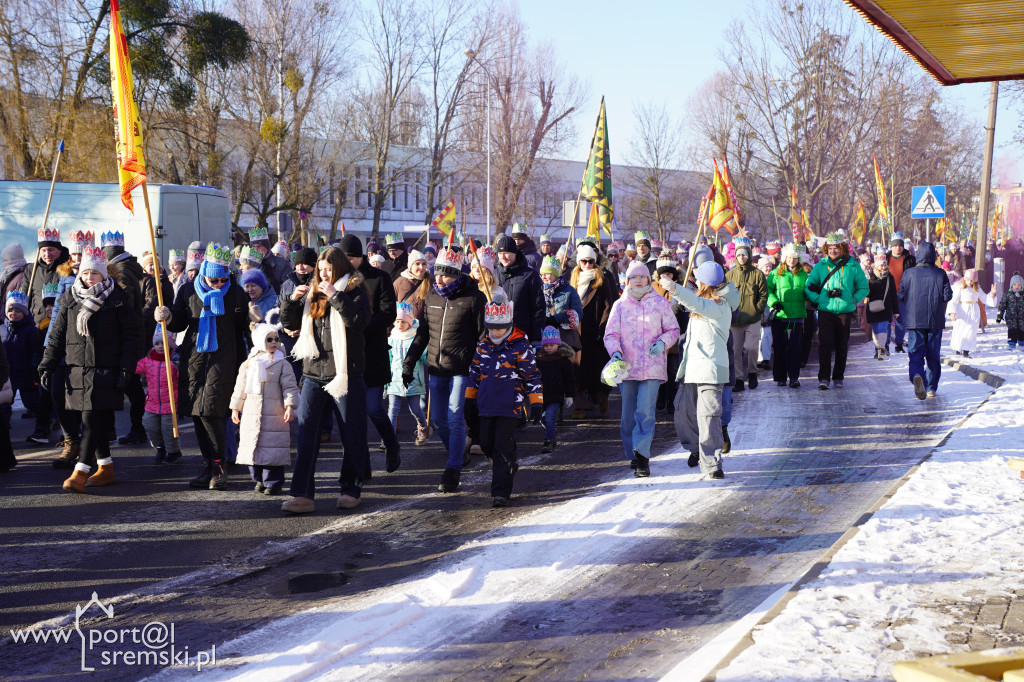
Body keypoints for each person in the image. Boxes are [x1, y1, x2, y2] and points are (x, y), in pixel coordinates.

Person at [39, 245, 140, 493]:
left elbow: (131, 336)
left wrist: (127, 368)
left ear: (104, 274)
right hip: (76, 369)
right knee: (97, 419)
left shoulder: (117, 299)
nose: (89, 277)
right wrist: (47, 364)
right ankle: (105, 467)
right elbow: (57, 334)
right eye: (85, 273)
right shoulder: (70, 297)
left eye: (94, 273)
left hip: (107, 368)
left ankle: (81, 471)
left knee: (90, 419)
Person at [279, 246, 371, 513]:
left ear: (339, 268)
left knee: (351, 434)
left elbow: (358, 322)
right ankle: (303, 494)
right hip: (313, 373)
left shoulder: (355, 291)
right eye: (320, 270)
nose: (323, 274)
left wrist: (336, 296)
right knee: (306, 434)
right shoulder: (312, 291)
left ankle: (351, 489)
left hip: (345, 374)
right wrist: (292, 301)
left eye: (328, 269)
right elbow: (290, 325)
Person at [154, 243, 250, 491]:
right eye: (213, 280)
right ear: (204, 273)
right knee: (197, 414)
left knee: (211, 412)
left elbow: (245, 328)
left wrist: (256, 328)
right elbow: (179, 322)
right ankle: (207, 465)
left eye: (223, 280)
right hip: (194, 357)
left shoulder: (236, 293)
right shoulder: (188, 290)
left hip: (225, 359)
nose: (218, 284)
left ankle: (219, 468)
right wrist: (167, 316)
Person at [402, 245, 486, 493]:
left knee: (454, 414)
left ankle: (453, 468)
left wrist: (481, 366)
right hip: (436, 367)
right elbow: (423, 334)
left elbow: (482, 336)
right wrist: (409, 362)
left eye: (445, 275)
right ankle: (457, 454)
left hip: (462, 368)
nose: (438, 279)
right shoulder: (431, 297)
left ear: (456, 275)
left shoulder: (474, 298)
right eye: (437, 273)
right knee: (438, 419)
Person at [464, 287, 542, 507]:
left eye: (499, 328)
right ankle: (508, 464)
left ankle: (500, 492)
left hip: (510, 406)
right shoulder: (483, 346)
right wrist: (469, 399)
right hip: (486, 405)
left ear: (508, 325)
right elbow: (474, 374)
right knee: (486, 444)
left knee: (501, 447)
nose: (495, 332)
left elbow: (532, 375)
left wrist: (536, 402)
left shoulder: (520, 346)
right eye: (491, 328)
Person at [603, 260, 679, 477]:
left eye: (641, 276)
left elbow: (673, 329)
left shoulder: (660, 303)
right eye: (633, 277)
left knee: (645, 412)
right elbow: (611, 334)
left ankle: (642, 456)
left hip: (652, 368)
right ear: (627, 280)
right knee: (628, 415)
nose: (637, 280)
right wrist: (615, 352)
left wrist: (663, 342)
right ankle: (632, 453)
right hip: (626, 368)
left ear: (648, 278)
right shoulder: (620, 305)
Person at [339, 234, 401, 473]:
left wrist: (360, 324)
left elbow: (388, 313)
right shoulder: (337, 280)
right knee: (352, 416)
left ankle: (392, 444)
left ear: (360, 256)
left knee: (373, 407)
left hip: (373, 352)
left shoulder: (379, 277)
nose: (348, 262)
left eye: (351, 258)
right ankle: (360, 466)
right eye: (344, 258)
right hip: (346, 355)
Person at [669, 261, 732, 479]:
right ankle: (696, 449)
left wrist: (675, 289)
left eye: (698, 279)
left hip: (711, 370)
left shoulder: (720, 304)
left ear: (704, 282)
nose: (695, 282)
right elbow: (694, 304)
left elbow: (697, 304)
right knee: (684, 414)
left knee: (709, 417)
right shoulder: (700, 303)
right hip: (691, 369)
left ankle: (712, 463)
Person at [230, 323, 299, 497]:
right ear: (260, 341)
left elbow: (290, 387)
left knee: (272, 450)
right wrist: (236, 408)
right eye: (269, 339)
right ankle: (259, 479)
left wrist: (290, 406)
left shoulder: (282, 363)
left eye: (276, 339)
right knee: (252, 449)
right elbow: (240, 388)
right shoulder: (249, 363)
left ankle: (273, 483)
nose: (274, 342)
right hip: (252, 413)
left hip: (274, 414)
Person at [805, 233, 869, 390]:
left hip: (844, 311)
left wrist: (853, 299)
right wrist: (819, 299)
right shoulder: (820, 266)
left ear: (842, 249)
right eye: (830, 248)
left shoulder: (853, 266)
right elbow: (808, 286)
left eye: (836, 248)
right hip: (825, 310)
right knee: (825, 344)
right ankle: (824, 378)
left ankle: (838, 377)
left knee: (841, 345)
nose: (833, 251)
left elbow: (864, 287)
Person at [898, 242, 952, 400]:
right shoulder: (940, 273)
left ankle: (916, 374)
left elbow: (900, 295)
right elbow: (948, 295)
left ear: (918, 255)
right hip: (935, 320)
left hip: (914, 320)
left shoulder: (908, 273)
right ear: (933, 255)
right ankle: (930, 388)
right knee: (933, 355)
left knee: (915, 352)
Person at [570, 244, 614, 417]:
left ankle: (601, 397)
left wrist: (602, 328)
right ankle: (580, 405)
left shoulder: (602, 279)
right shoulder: (572, 279)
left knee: (596, 369)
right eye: (584, 261)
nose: (587, 264)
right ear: (579, 262)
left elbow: (608, 305)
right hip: (576, 331)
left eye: (590, 261)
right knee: (577, 369)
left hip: (595, 332)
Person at [725, 236, 768, 392]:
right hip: (735, 320)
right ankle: (738, 378)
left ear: (749, 255)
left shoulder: (757, 274)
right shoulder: (730, 275)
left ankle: (752, 373)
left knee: (751, 348)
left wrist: (757, 309)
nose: (741, 257)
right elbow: (724, 295)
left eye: (744, 254)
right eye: (738, 255)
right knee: (736, 350)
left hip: (752, 318)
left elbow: (763, 294)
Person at [766, 243, 809, 387]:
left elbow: (808, 291)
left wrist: (814, 298)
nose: (792, 260)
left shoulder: (803, 274)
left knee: (795, 347)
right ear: (785, 258)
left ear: (798, 259)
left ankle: (794, 377)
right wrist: (774, 302)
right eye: (789, 257)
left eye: (795, 258)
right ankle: (781, 377)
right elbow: (767, 290)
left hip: (797, 315)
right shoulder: (775, 273)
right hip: (780, 315)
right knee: (780, 347)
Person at [135, 329, 181, 464]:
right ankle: (160, 447)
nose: (160, 346)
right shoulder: (148, 360)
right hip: (152, 402)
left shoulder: (174, 361)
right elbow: (135, 368)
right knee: (150, 425)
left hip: (170, 403)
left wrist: (179, 365)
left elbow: (182, 377)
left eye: (164, 343)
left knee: (169, 429)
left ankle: (173, 452)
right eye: (157, 343)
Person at [387, 302, 428, 445]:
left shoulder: (417, 339)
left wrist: (432, 359)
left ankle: (423, 427)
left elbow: (424, 357)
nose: (400, 324)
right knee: (392, 409)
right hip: (395, 380)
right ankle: (389, 439)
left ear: (410, 322)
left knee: (415, 409)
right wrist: (386, 378)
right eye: (397, 321)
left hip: (413, 380)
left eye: (403, 322)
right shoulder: (391, 339)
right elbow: (388, 359)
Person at [494, 235, 545, 342]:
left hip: (521, 334)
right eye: (500, 253)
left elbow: (538, 308)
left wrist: (536, 337)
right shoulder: (494, 275)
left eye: (506, 253)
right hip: (498, 335)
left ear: (515, 253)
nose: (503, 257)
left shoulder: (530, 275)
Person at [653, 254, 686, 411]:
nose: (666, 277)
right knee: (659, 368)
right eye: (663, 274)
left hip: (674, 336)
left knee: (672, 369)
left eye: (669, 274)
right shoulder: (652, 288)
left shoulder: (680, 287)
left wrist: (680, 308)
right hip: (656, 334)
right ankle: (661, 395)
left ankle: (671, 399)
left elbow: (687, 306)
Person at [1, 291, 38, 429]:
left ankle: (45, 422)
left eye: (18, 311)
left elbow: (35, 350)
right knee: (5, 402)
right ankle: (4, 426)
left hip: (25, 373)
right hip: (8, 375)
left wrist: (34, 367)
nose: (13, 313)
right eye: (10, 311)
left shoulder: (31, 330)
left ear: (24, 313)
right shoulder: (2, 329)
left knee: (31, 401)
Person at [536, 325, 575, 454]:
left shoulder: (564, 362)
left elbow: (570, 380)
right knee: (542, 419)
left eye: (552, 345)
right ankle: (552, 431)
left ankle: (549, 441)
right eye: (546, 345)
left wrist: (569, 395)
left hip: (556, 395)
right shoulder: (539, 360)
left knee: (549, 417)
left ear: (558, 344)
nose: (549, 348)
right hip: (541, 395)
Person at [947, 268, 997, 358]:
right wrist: (952, 312)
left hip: (973, 311)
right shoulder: (960, 288)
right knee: (960, 330)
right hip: (962, 310)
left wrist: (992, 294)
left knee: (971, 331)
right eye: (968, 280)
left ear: (975, 281)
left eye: (972, 280)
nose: (970, 282)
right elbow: (953, 300)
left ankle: (966, 351)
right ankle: (958, 349)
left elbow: (985, 299)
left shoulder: (977, 289)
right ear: (964, 279)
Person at [539, 256, 583, 353]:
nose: (543, 277)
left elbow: (578, 313)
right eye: (542, 274)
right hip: (545, 339)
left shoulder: (569, 290)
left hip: (564, 338)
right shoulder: (538, 290)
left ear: (555, 274)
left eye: (547, 273)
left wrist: (557, 319)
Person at [886, 233, 916, 353]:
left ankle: (899, 343)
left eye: (900, 245)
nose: (898, 248)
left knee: (900, 321)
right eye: (895, 245)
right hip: (887, 295)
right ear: (891, 246)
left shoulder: (909, 259)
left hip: (903, 295)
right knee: (887, 321)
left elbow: (913, 276)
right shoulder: (886, 258)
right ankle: (885, 344)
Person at [865, 254, 898, 360]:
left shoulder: (889, 277)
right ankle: (877, 348)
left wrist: (896, 311)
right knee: (875, 330)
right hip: (873, 308)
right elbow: (866, 293)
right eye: (881, 265)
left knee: (882, 328)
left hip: (886, 308)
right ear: (876, 266)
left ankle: (881, 349)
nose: (883, 267)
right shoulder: (870, 277)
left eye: (885, 265)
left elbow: (893, 295)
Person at [248, 226, 292, 292]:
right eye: (253, 246)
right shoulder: (247, 264)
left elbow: (288, 288)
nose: (256, 249)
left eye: (259, 246)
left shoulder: (282, 263)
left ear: (267, 247)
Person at [393, 249, 432, 322]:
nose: (421, 267)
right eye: (417, 264)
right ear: (410, 266)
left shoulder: (431, 281)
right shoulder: (399, 282)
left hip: (424, 326)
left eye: (424, 264)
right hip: (404, 325)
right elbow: (391, 306)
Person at [996, 272, 1024, 349]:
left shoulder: (1023, 295)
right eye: (1014, 284)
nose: (1017, 286)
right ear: (1011, 285)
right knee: (1012, 330)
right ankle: (1012, 343)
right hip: (1011, 318)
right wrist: (999, 316)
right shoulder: (1008, 294)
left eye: (1019, 285)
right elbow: (1002, 306)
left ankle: (1022, 342)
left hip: (1022, 318)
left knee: (1022, 330)